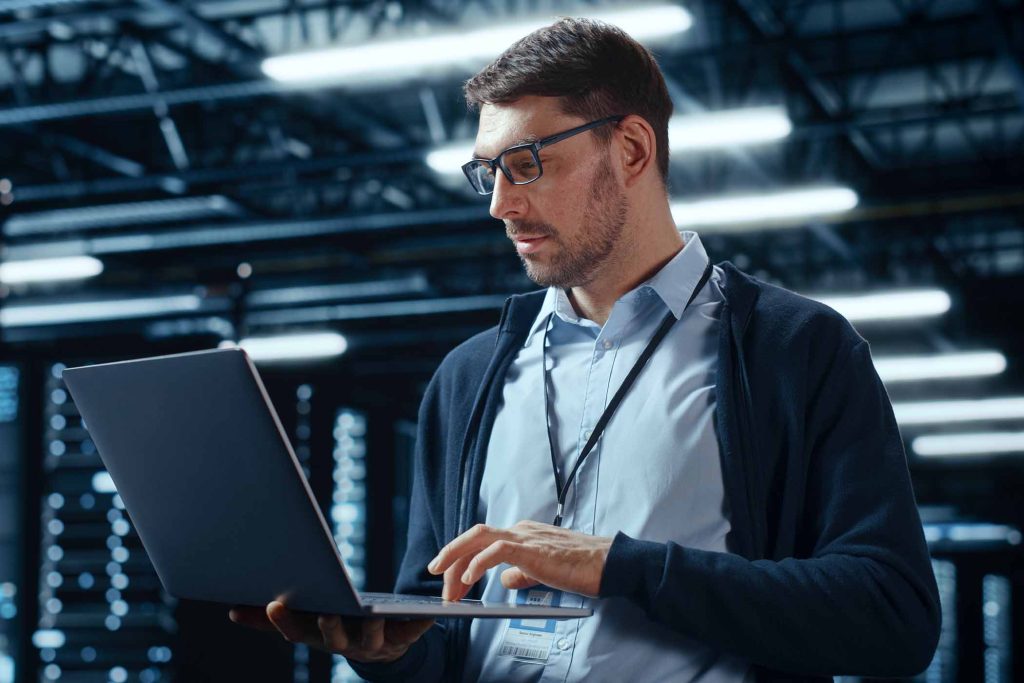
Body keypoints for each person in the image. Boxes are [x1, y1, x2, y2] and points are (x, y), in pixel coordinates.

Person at [229, 17, 941, 682]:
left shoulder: (795, 350)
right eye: (488, 171)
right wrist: (382, 652)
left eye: (528, 163)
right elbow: (443, 634)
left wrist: (618, 565)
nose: (499, 205)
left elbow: (892, 616)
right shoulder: (467, 378)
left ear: (631, 148)